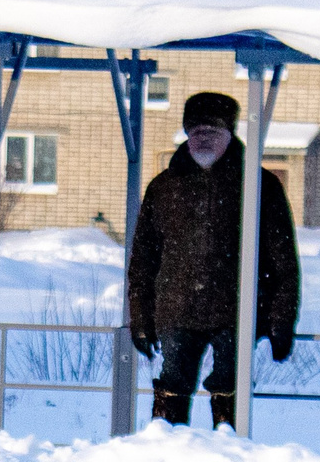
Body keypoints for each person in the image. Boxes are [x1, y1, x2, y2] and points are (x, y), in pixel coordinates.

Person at [126, 90, 300, 432]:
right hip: (176, 308)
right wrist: (141, 318)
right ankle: (163, 454)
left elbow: (283, 261)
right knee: (171, 386)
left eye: (213, 132)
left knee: (230, 390)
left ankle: (229, 454)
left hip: (238, 310)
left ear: (229, 135)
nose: (203, 138)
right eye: (196, 132)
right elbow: (143, 260)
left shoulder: (259, 185)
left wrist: (281, 322)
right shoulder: (165, 187)